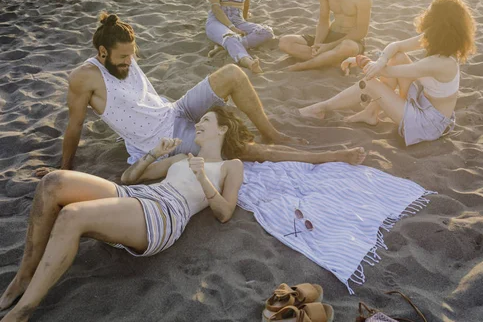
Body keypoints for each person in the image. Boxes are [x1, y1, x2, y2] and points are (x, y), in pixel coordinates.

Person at [0, 106, 328, 321]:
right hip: (140, 195)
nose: (198, 125)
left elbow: (225, 213)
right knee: (53, 182)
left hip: (164, 214)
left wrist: (203, 178)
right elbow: (130, 179)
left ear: (223, 129)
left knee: (72, 215)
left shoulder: (231, 166)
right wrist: (153, 154)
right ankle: (23, 276)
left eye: (206, 121)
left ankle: (25, 308)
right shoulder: (182, 157)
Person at [35, 12, 365, 177]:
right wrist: (64, 167)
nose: (128, 62)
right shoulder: (83, 79)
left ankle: (272, 130)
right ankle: (329, 156)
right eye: (123, 59)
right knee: (244, 150)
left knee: (234, 73)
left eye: (131, 55)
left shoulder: (123, 53)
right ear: (102, 53)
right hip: (163, 139)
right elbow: (74, 126)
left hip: (173, 109)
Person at [299, 0, 476, 146]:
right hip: (424, 103)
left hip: (429, 124)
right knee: (396, 57)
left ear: (437, 23)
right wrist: (381, 59)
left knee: (369, 84)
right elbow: (397, 45)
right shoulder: (439, 40)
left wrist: (359, 60)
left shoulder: (441, 63)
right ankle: (370, 113)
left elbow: (390, 72)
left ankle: (320, 107)